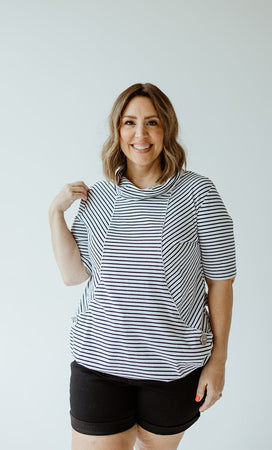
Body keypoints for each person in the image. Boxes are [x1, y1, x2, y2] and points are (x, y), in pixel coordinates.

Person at [48, 82, 237, 450]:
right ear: (117, 131)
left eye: (152, 122)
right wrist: (55, 213)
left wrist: (218, 362)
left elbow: (221, 283)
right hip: (98, 365)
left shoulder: (199, 194)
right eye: (129, 122)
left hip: (172, 371)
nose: (140, 134)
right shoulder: (99, 197)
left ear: (167, 129)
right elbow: (74, 276)